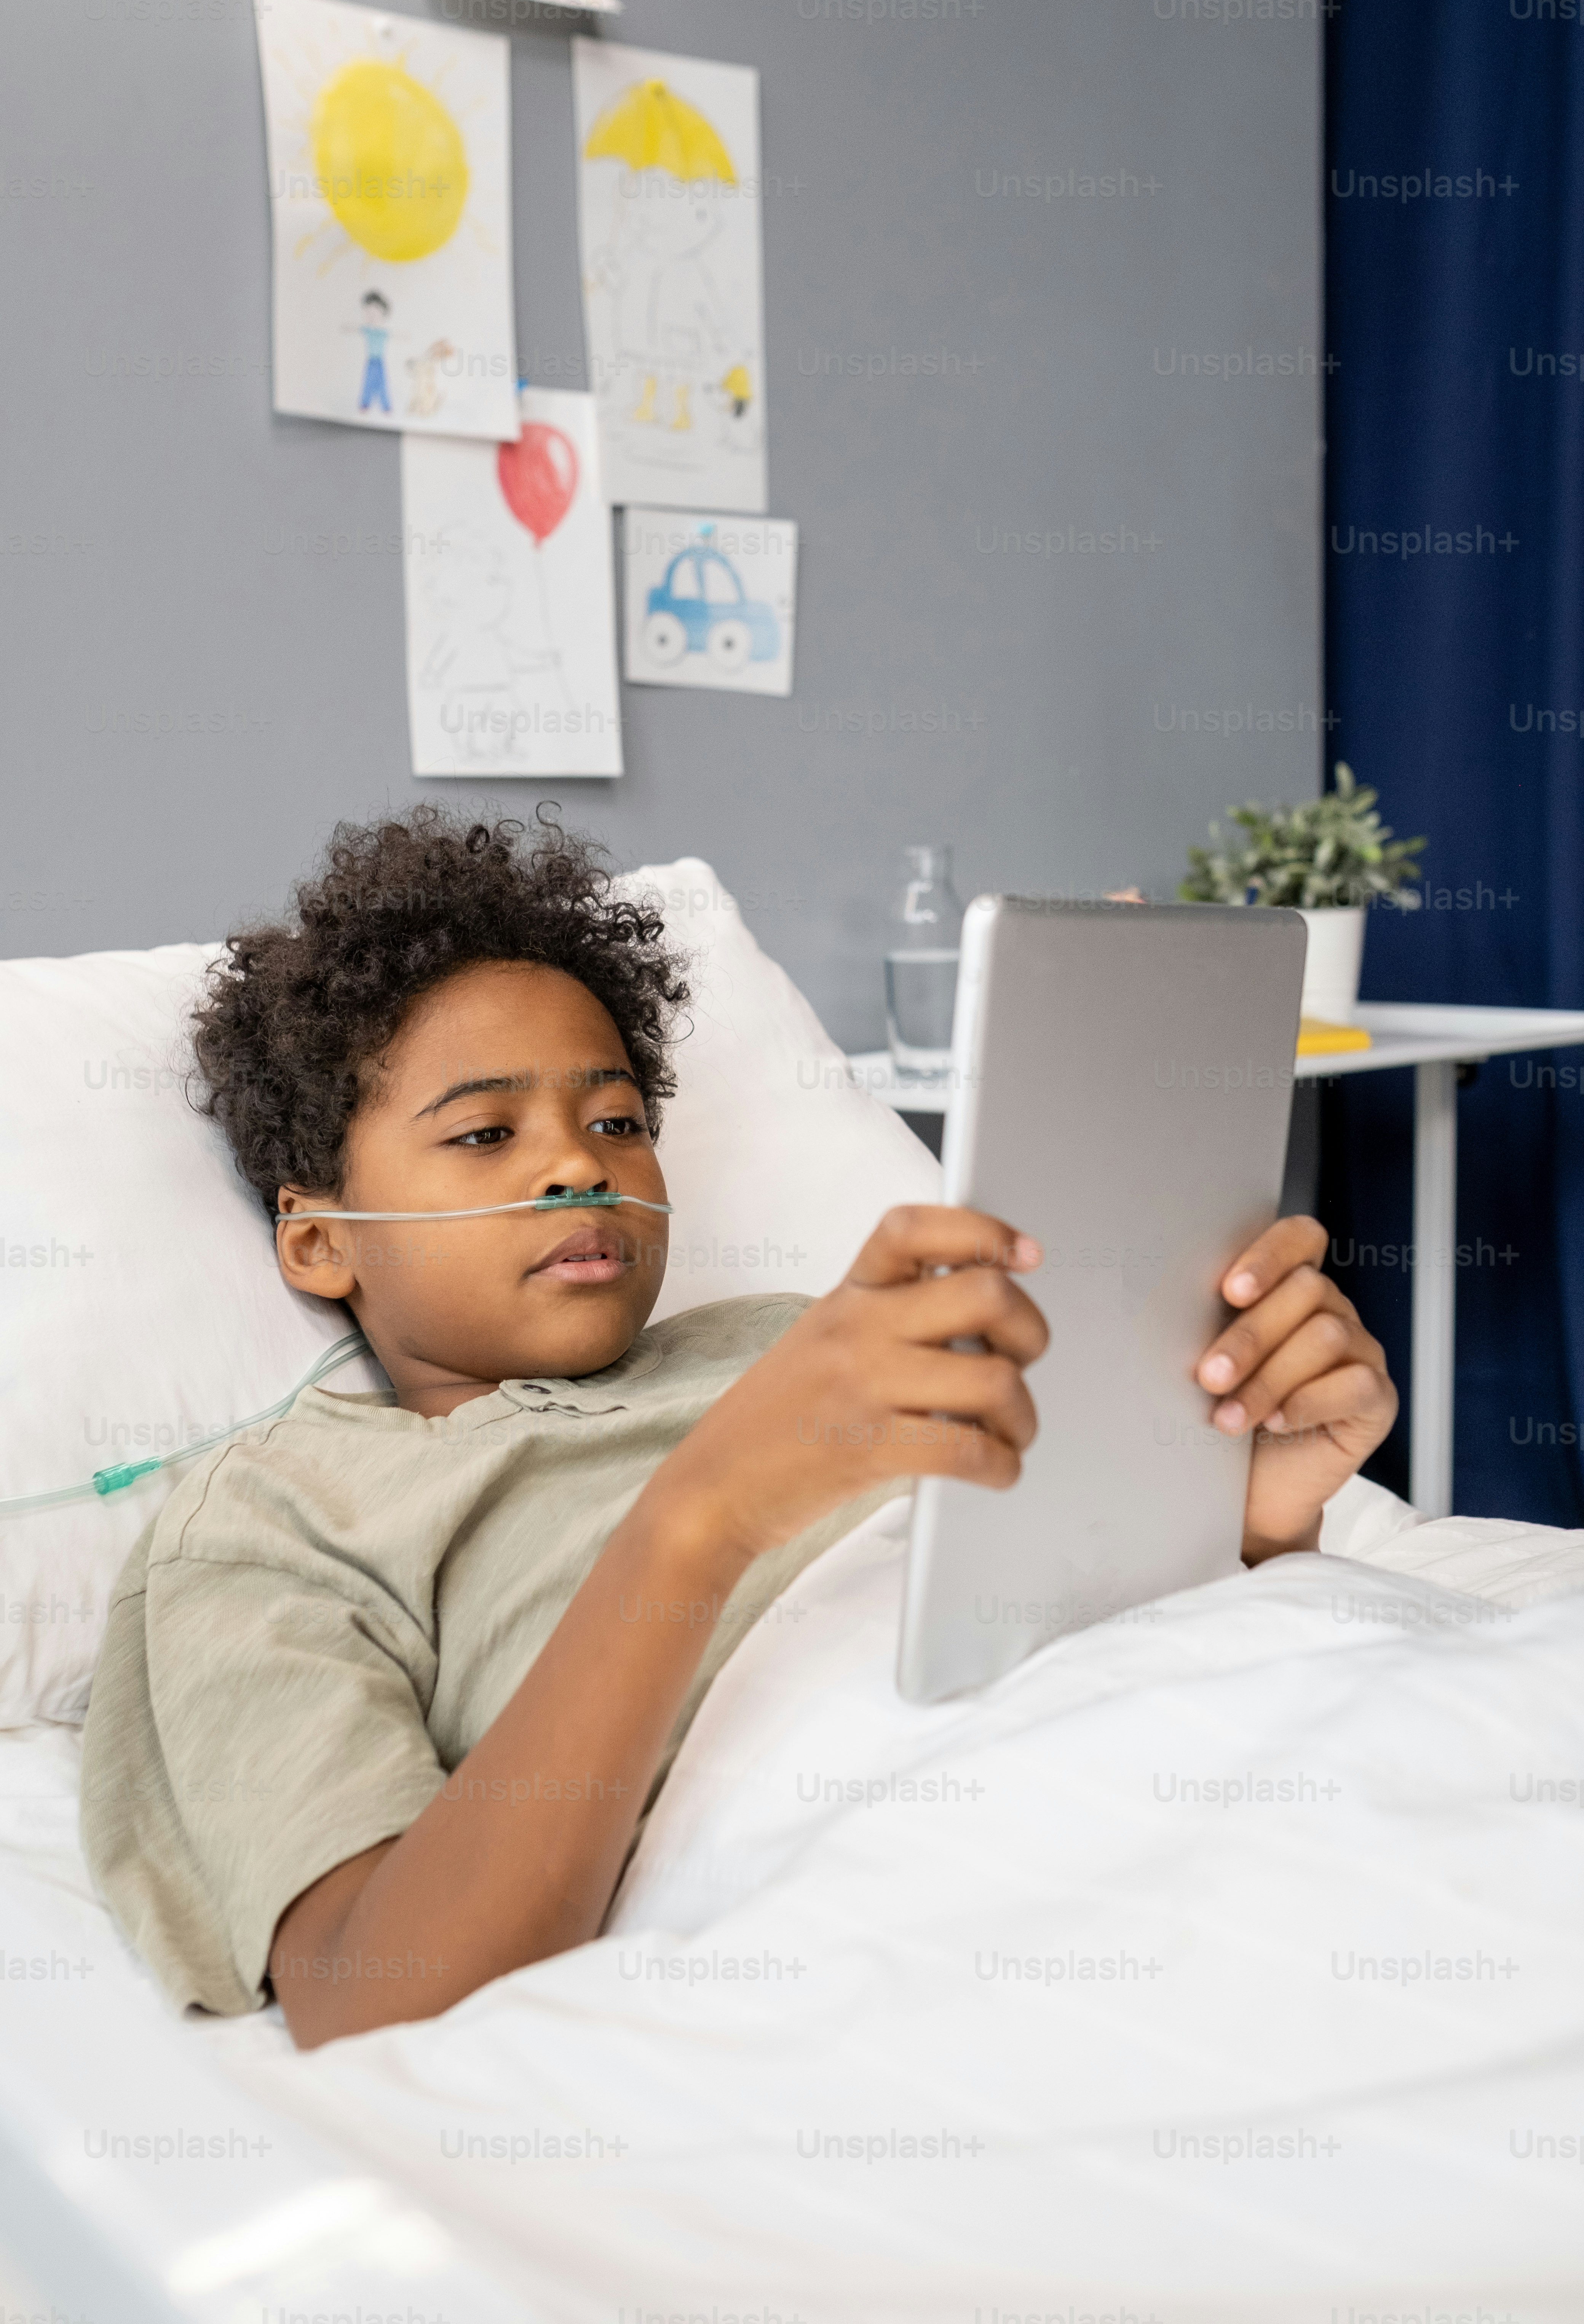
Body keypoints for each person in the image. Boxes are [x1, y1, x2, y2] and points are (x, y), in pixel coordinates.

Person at [80, 808, 1396, 2049]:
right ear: (319, 1242)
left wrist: (1259, 1514)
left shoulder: (788, 1340)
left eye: (618, 1123)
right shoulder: (272, 1525)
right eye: (487, 1132)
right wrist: (701, 1519)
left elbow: (1048, 1600)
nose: (580, 1164)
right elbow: (373, 1997)